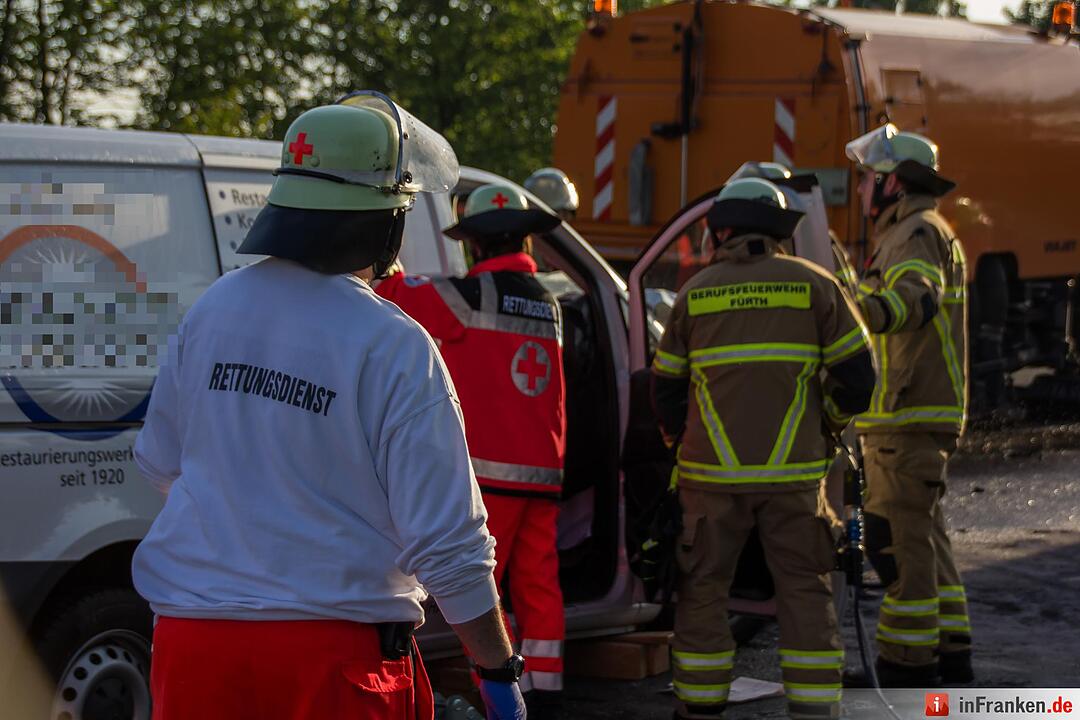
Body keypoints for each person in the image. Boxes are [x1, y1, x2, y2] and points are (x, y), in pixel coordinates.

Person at [131, 96, 527, 720]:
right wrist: (498, 673)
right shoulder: (391, 343)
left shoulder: (214, 309)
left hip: (193, 647)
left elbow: (159, 462)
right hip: (330, 661)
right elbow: (449, 545)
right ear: (386, 220)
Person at [650, 178, 875, 720]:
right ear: (778, 232)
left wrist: (679, 443)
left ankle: (699, 705)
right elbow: (858, 379)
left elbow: (665, 390)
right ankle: (815, 708)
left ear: (720, 231)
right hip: (796, 478)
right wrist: (828, 425)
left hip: (710, 480)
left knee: (704, 588)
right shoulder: (816, 286)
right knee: (804, 588)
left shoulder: (695, 294)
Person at [376, 183, 567, 713]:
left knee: (481, 587)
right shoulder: (549, 302)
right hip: (543, 470)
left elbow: (392, 295)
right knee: (539, 583)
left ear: (477, 245)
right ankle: (547, 691)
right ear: (524, 240)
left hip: (490, 472)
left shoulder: (468, 296)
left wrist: (387, 258)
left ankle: (497, 691)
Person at [845, 124, 972, 686]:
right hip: (919, 413)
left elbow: (915, 299)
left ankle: (907, 663)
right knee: (925, 539)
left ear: (893, 182)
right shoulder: (924, 229)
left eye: (866, 178)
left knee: (896, 543)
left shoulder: (914, 234)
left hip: (908, 414)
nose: (859, 188)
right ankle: (951, 648)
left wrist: (853, 312)